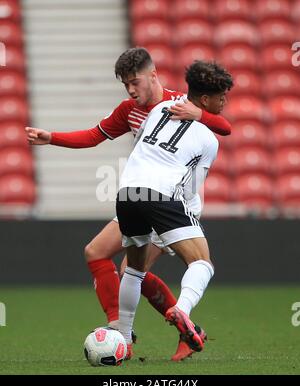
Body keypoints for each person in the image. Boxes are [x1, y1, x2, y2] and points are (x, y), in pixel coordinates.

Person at [25, 48, 232, 361]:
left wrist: (200, 114)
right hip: (163, 196)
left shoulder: (173, 104)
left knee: (130, 270)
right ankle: (136, 327)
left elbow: (222, 125)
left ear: (153, 75)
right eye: (126, 85)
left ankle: (131, 332)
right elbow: (94, 135)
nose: (131, 90)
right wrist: (51, 137)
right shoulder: (131, 110)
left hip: (136, 193)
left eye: (135, 82)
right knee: (103, 254)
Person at [116, 60, 233, 359]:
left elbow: (140, 146)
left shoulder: (158, 110)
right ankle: (182, 311)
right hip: (161, 196)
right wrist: (173, 225)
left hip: (127, 191)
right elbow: (190, 188)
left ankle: (124, 340)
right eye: (222, 98)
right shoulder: (208, 138)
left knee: (132, 269)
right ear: (205, 100)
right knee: (202, 263)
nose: (225, 102)